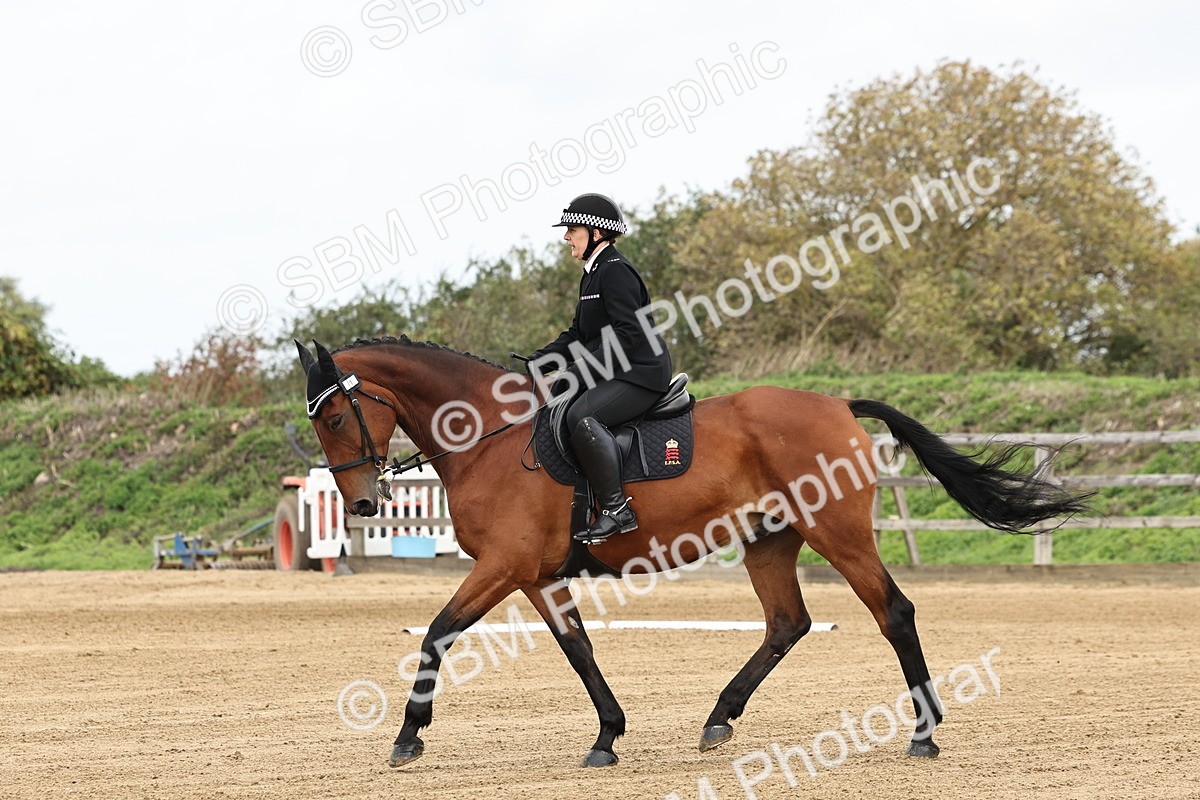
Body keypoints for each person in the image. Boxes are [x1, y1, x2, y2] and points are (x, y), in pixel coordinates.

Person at [529, 193, 673, 544]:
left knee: (581, 417)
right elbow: (579, 334)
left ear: (596, 232)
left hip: (640, 372)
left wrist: (580, 372)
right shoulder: (592, 275)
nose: (566, 237)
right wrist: (541, 361)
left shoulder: (616, 272)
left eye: (572, 230)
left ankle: (616, 509)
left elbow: (628, 335)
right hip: (617, 370)